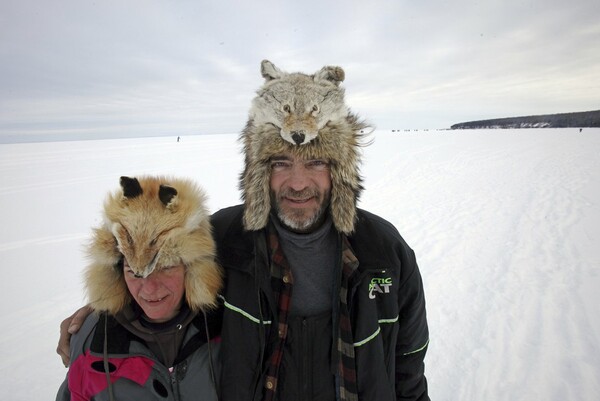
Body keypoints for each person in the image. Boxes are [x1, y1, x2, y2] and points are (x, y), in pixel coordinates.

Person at [58, 61, 430, 401]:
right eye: (280, 163)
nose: (297, 183)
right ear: (259, 171)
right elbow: (157, 270)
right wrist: (107, 302)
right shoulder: (225, 237)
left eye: (316, 163)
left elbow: (408, 365)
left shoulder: (384, 251)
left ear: (339, 170)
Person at [56, 176, 223, 401]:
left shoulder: (228, 329)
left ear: (192, 269)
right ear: (116, 272)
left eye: (166, 267)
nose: (150, 288)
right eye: (134, 272)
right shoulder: (91, 342)